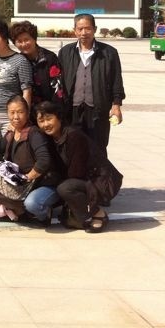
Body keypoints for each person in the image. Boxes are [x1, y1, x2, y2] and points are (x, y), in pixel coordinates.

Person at [37, 100, 117, 233]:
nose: (45, 124)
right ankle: (81, 213)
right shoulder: (51, 138)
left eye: (49, 119)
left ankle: (98, 213)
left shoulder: (74, 136)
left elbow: (76, 172)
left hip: (102, 181)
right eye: (41, 121)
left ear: (59, 118)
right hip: (84, 180)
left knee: (65, 188)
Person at [57, 13, 125, 149]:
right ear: (75, 30)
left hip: (98, 110)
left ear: (95, 29)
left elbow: (116, 80)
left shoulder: (109, 53)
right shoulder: (65, 52)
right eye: (80, 29)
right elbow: (59, 82)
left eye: (88, 28)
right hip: (72, 110)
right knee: (73, 148)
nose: (84, 33)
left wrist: (116, 106)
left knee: (98, 148)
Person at [0, 95, 61, 224]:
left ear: (27, 113)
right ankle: (22, 211)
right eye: (12, 112)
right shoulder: (12, 133)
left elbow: (44, 161)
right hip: (25, 185)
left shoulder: (34, 133)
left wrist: (26, 178)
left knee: (32, 203)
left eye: (20, 112)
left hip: (44, 183)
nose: (16, 117)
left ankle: (44, 213)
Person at [0, 20, 33, 142]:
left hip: (8, 115)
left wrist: (22, 117)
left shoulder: (20, 61)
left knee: (10, 148)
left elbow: (27, 91)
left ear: (5, 37)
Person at [10, 20, 65, 106]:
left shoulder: (49, 58)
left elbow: (58, 88)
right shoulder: (17, 60)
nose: (24, 44)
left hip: (48, 109)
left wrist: (52, 110)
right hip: (26, 109)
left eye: (26, 40)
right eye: (19, 41)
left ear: (34, 39)